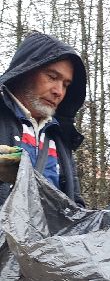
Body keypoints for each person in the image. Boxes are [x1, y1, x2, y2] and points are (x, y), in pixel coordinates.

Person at [0, 31, 87, 207]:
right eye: (52, 77)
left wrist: (103, 219)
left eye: (66, 85)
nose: (59, 91)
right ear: (26, 71)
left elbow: (74, 207)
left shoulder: (60, 137)